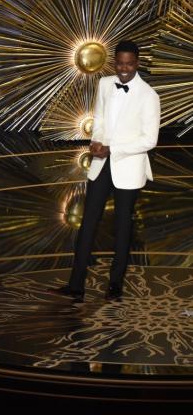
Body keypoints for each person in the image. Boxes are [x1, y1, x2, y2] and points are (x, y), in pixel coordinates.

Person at [53, 40, 160, 303]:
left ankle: (115, 285)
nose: (124, 68)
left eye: (129, 64)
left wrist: (113, 149)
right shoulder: (104, 84)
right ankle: (76, 285)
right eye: (120, 63)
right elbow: (99, 118)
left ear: (137, 63)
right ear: (115, 62)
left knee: (123, 227)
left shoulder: (149, 96)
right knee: (88, 223)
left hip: (128, 167)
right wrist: (97, 142)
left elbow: (150, 140)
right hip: (101, 165)